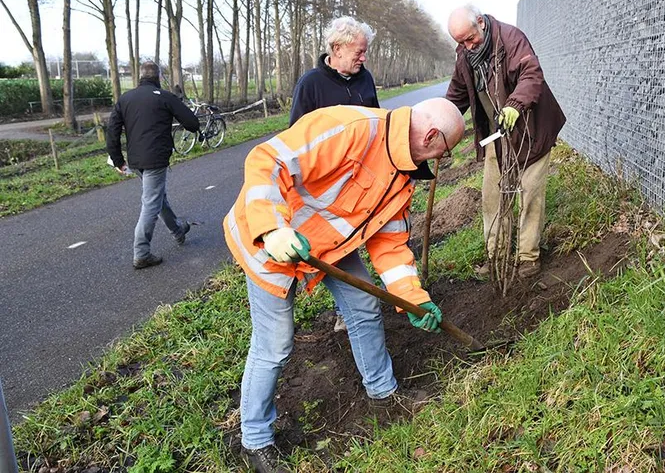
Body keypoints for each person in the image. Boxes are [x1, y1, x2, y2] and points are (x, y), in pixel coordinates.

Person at [224, 98, 465, 472]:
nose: (441, 159)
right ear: (431, 137)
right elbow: (267, 160)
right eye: (445, 152)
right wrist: (271, 229)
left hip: (327, 245)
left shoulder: (402, 176)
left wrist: (413, 298)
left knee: (365, 306)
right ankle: (255, 441)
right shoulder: (350, 127)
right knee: (274, 344)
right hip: (268, 242)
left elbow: (390, 246)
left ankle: (383, 392)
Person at [445, 5, 566, 278]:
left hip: (531, 129)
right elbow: (456, 95)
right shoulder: (465, 55)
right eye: (461, 42)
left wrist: (515, 105)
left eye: (470, 38)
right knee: (492, 196)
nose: (468, 46)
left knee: (530, 194)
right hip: (497, 135)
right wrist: (440, 122)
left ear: (480, 22)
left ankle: (527, 257)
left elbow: (531, 74)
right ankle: (496, 255)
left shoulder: (511, 39)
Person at [290, 15, 380, 334]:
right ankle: (347, 310)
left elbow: (377, 122)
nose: (363, 58)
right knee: (337, 248)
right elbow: (295, 138)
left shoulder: (365, 79)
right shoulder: (311, 84)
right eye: (359, 51)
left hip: (359, 183)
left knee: (356, 242)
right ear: (337, 48)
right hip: (324, 187)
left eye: (365, 51)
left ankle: (358, 303)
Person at [106, 62, 201, 269]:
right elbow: (193, 124)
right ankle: (141, 253)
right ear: (157, 77)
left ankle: (178, 230)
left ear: (139, 76)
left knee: (158, 198)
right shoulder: (165, 97)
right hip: (155, 160)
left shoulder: (125, 99)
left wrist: (117, 160)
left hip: (135, 161)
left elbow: (112, 131)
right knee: (151, 203)